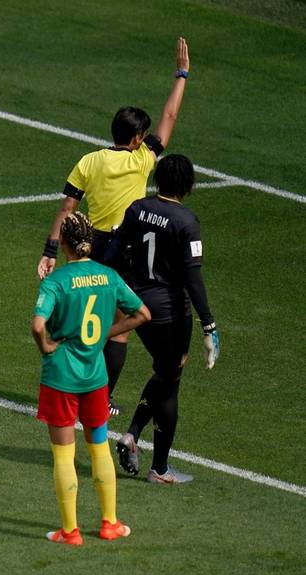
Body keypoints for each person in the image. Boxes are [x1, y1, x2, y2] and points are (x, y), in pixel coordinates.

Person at [37, 37, 190, 416]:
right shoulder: (142, 160)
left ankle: (71, 385)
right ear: (136, 138)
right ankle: (101, 399)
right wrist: (181, 75)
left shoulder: (88, 161)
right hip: (128, 252)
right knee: (119, 329)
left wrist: (50, 250)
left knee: (83, 317)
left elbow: (67, 209)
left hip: (92, 247)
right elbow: (170, 117)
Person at [32, 212, 150, 545]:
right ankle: (109, 523)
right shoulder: (109, 276)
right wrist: (106, 333)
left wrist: (47, 346)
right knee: (99, 449)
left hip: (61, 378)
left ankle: (70, 531)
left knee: (63, 455)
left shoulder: (56, 281)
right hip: (96, 377)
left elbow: (38, 325)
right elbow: (143, 314)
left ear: (64, 244)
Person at [108, 154, 220, 484]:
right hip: (170, 313)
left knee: (165, 373)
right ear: (187, 184)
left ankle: (133, 435)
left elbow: (114, 254)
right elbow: (192, 278)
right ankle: (158, 468)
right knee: (170, 381)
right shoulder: (186, 222)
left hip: (137, 305)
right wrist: (209, 325)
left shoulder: (137, 208)